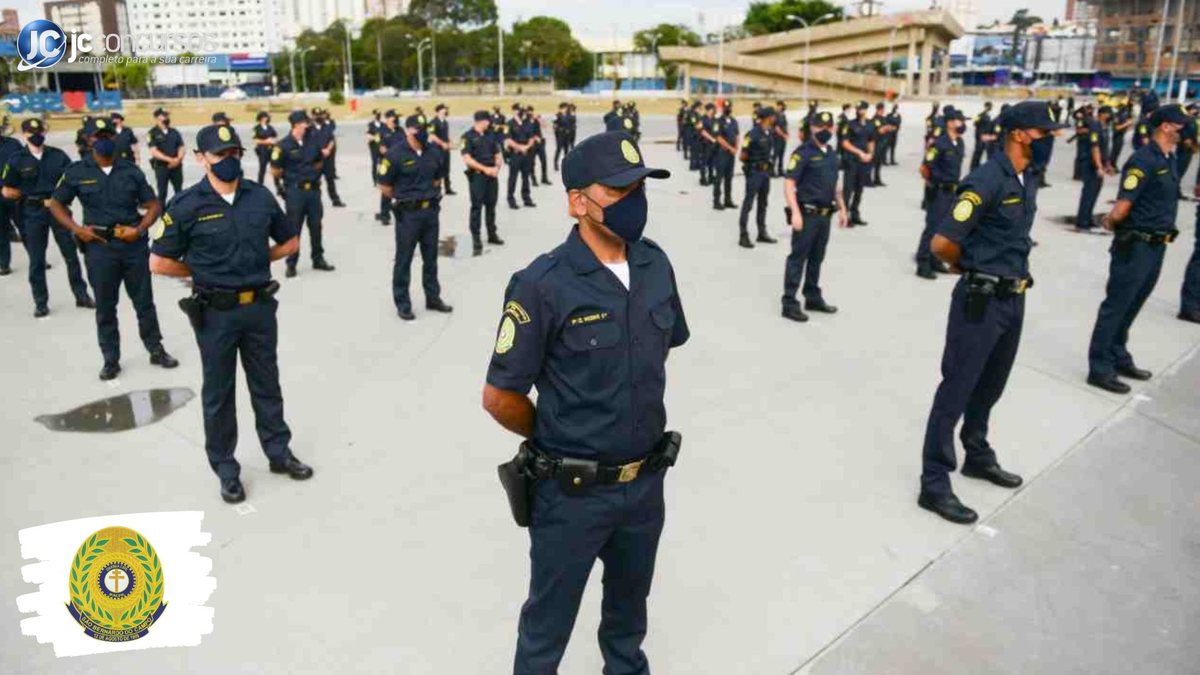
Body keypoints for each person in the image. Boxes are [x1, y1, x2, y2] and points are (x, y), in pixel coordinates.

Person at [482, 130, 687, 675]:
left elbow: (663, 350)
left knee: (628, 619)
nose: (634, 203)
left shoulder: (655, 266)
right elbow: (500, 397)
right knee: (547, 628)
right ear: (578, 201)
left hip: (644, 486)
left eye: (640, 188)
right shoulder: (540, 285)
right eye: (619, 192)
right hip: (571, 495)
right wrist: (554, 432)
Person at [148, 123, 314, 504]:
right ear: (201, 158)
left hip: (258, 307)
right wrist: (205, 273)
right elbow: (159, 261)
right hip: (215, 313)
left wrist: (259, 260)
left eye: (234, 153)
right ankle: (226, 469)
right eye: (220, 154)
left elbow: (289, 241)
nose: (229, 160)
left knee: (267, 385)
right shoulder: (187, 205)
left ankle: (279, 453)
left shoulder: (259, 197)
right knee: (219, 394)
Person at [917, 100, 1064, 524]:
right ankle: (934, 482)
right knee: (956, 391)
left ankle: (976, 455)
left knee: (990, 386)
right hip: (980, 301)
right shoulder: (985, 180)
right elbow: (941, 244)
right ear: (1019, 134)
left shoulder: (1024, 177)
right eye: (1043, 134)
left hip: (1013, 297)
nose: (1048, 141)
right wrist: (972, 269)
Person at [48, 116, 178, 380]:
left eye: (107, 136)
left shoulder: (131, 170)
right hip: (99, 247)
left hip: (133, 245)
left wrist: (139, 229)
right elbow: (56, 204)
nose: (102, 141)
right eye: (97, 137)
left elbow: (153, 204)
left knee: (144, 302)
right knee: (106, 306)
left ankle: (155, 349)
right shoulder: (76, 172)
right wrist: (77, 229)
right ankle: (110, 359)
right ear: (88, 141)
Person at [1086, 105, 1194, 394]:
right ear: (1166, 127)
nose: (1185, 131)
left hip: (1156, 245)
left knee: (1133, 304)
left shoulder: (1168, 158)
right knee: (1117, 305)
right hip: (1135, 246)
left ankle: (1118, 355)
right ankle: (1099, 368)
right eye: (1180, 125)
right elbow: (1123, 205)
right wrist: (1110, 221)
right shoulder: (1142, 160)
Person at [2, 118, 93, 315]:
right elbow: (7, 189)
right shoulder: (17, 159)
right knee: (36, 260)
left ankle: (81, 295)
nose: (36, 135)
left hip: (58, 210)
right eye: (31, 132)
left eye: (39, 131)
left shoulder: (58, 156)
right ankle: (41, 302)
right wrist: (19, 195)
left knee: (71, 256)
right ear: (24, 134)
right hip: (33, 213)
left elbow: (72, 180)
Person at [377, 114, 453, 321]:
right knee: (404, 259)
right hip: (408, 215)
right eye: (419, 128)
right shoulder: (394, 154)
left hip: (430, 213)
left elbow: (438, 180)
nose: (423, 133)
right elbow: (384, 186)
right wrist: (406, 199)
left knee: (431, 258)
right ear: (409, 130)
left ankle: (433, 297)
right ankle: (403, 303)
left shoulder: (433, 152)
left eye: (425, 129)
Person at [781, 111, 848, 322]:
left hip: (825, 215)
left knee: (817, 258)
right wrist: (796, 213)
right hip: (807, 214)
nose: (825, 131)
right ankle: (789, 302)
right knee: (797, 258)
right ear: (812, 128)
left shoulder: (831, 153)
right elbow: (789, 183)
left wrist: (843, 208)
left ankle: (812, 296)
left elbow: (835, 184)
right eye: (820, 127)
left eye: (829, 127)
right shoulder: (803, 153)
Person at [271, 110, 336, 278]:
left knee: (316, 226)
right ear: (296, 125)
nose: (307, 126)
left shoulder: (312, 141)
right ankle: (291, 263)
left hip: (313, 191)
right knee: (294, 229)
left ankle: (318, 258)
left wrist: (312, 173)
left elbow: (319, 160)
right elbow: (275, 170)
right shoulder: (282, 145)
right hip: (295, 192)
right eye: (304, 123)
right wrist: (284, 185)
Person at [916, 106, 966, 279]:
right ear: (950, 123)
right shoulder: (939, 143)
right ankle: (922, 262)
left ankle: (935, 260)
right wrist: (933, 185)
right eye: (960, 121)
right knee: (932, 228)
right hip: (939, 192)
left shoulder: (959, 142)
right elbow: (924, 168)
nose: (963, 124)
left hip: (952, 192)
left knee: (944, 230)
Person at [462, 110, 505, 256]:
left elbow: (498, 154)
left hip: (492, 175)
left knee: (491, 206)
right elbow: (467, 159)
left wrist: (497, 167)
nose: (490, 123)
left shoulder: (490, 135)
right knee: (476, 207)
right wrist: (485, 169)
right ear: (481, 121)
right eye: (488, 121)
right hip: (478, 176)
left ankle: (492, 234)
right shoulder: (467, 137)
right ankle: (476, 238)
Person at [737, 107, 778, 248]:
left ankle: (762, 232)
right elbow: (743, 155)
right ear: (767, 117)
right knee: (748, 204)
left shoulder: (769, 133)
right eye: (773, 116)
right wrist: (752, 165)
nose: (775, 118)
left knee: (763, 204)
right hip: (754, 172)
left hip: (765, 174)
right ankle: (743, 235)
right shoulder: (752, 134)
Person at [1075, 105, 1115, 232]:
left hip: (1100, 164)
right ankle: (1082, 221)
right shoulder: (1095, 127)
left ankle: (1088, 217)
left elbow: (1105, 149)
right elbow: (1095, 148)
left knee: (1095, 193)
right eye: (1108, 114)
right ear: (1102, 114)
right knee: (1088, 193)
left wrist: (1107, 165)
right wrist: (1098, 166)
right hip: (1091, 165)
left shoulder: (1104, 128)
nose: (1111, 117)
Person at [840, 101, 875, 226]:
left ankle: (855, 214)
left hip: (863, 161)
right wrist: (859, 152)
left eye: (862, 109)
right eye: (858, 109)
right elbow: (845, 143)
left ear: (866, 110)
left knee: (859, 189)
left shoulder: (870, 124)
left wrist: (870, 154)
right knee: (848, 189)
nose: (860, 111)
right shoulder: (849, 124)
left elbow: (871, 140)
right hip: (851, 160)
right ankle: (845, 215)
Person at [146, 107, 185, 203]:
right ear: (156, 118)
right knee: (162, 192)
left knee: (179, 191)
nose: (166, 118)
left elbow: (181, 147)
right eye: (164, 115)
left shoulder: (174, 132)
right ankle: (162, 214)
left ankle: (179, 212)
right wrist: (170, 160)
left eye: (167, 115)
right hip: (161, 167)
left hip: (176, 166)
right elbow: (154, 151)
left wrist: (178, 159)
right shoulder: (152, 133)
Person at [310, 108, 345, 208]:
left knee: (330, 180)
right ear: (312, 116)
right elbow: (308, 143)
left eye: (320, 115)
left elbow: (332, 140)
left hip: (327, 158)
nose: (318, 117)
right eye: (316, 115)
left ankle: (335, 200)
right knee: (314, 181)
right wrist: (320, 151)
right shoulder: (309, 129)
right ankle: (314, 202)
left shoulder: (327, 126)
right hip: (316, 159)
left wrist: (328, 149)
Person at [0, 122, 23, 276]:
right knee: (1, 232)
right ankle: (4, 264)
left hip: (15, 193)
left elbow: (25, 162)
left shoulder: (13, 144)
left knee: (26, 228)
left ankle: (38, 259)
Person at [505, 104, 536, 210]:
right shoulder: (508, 124)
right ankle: (511, 199)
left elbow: (532, 138)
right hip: (515, 154)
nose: (521, 112)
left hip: (526, 154)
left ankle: (526, 198)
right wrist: (520, 147)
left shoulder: (528, 123)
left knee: (526, 177)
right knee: (513, 178)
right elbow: (508, 140)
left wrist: (526, 147)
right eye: (519, 110)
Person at [374, 110, 401, 225]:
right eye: (393, 117)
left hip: (400, 163)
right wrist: (394, 154)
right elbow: (382, 149)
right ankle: (385, 215)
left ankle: (400, 213)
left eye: (396, 117)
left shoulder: (401, 131)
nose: (395, 119)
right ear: (387, 118)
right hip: (387, 164)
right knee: (386, 190)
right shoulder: (380, 132)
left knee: (401, 188)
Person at [712, 101, 738, 211]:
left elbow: (737, 135)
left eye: (729, 107)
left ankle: (728, 200)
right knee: (719, 178)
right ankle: (717, 201)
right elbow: (718, 137)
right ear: (722, 108)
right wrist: (730, 148)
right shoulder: (718, 121)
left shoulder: (733, 121)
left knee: (729, 177)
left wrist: (736, 148)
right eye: (726, 107)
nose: (727, 109)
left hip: (731, 154)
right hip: (721, 153)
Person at [429, 103, 456, 196]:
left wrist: (450, 142)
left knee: (446, 168)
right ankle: (437, 189)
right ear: (438, 111)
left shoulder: (445, 122)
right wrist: (442, 143)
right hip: (436, 149)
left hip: (445, 149)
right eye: (443, 109)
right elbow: (432, 136)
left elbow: (446, 135)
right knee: (438, 168)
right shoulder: (433, 122)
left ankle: (448, 188)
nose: (445, 111)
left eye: (445, 109)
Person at [251, 111, 279, 191]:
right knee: (262, 168)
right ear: (262, 118)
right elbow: (255, 140)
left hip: (272, 150)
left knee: (274, 166)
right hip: (262, 150)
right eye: (266, 117)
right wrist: (267, 141)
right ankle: (260, 185)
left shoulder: (270, 127)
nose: (268, 118)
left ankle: (277, 185)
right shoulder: (257, 128)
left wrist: (273, 141)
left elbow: (275, 137)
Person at [970, 102, 996, 171]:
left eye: (990, 107)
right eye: (988, 106)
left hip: (987, 137)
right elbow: (974, 123)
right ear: (985, 107)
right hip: (980, 136)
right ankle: (973, 167)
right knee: (978, 152)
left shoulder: (990, 116)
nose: (989, 108)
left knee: (987, 152)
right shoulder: (980, 115)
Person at [528, 106, 550, 185]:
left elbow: (544, 126)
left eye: (531, 111)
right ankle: (533, 179)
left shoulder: (536, 119)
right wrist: (534, 137)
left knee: (544, 161)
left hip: (540, 142)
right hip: (532, 143)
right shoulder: (525, 121)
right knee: (532, 163)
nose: (531, 113)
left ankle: (544, 178)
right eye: (529, 112)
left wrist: (539, 119)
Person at [1110, 98, 1134, 166]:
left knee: (1118, 152)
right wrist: (1127, 124)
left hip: (1122, 135)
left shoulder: (1125, 114)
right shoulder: (1117, 115)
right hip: (1117, 135)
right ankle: (1111, 165)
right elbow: (1116, 128)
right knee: (1115, 151)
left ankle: (1114, 165)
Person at [772, 100, 789, 176]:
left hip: (783, 138)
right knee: (775, 154)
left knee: (781, 154)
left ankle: (780, 170)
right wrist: (783, 135)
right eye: (779, 105)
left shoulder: (783, 115)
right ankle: (772, 170)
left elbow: (785, 126)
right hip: (777, 138)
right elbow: (776, 128)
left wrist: (787, 134)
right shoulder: (775, 115)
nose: (780, 107)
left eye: (781, 105)